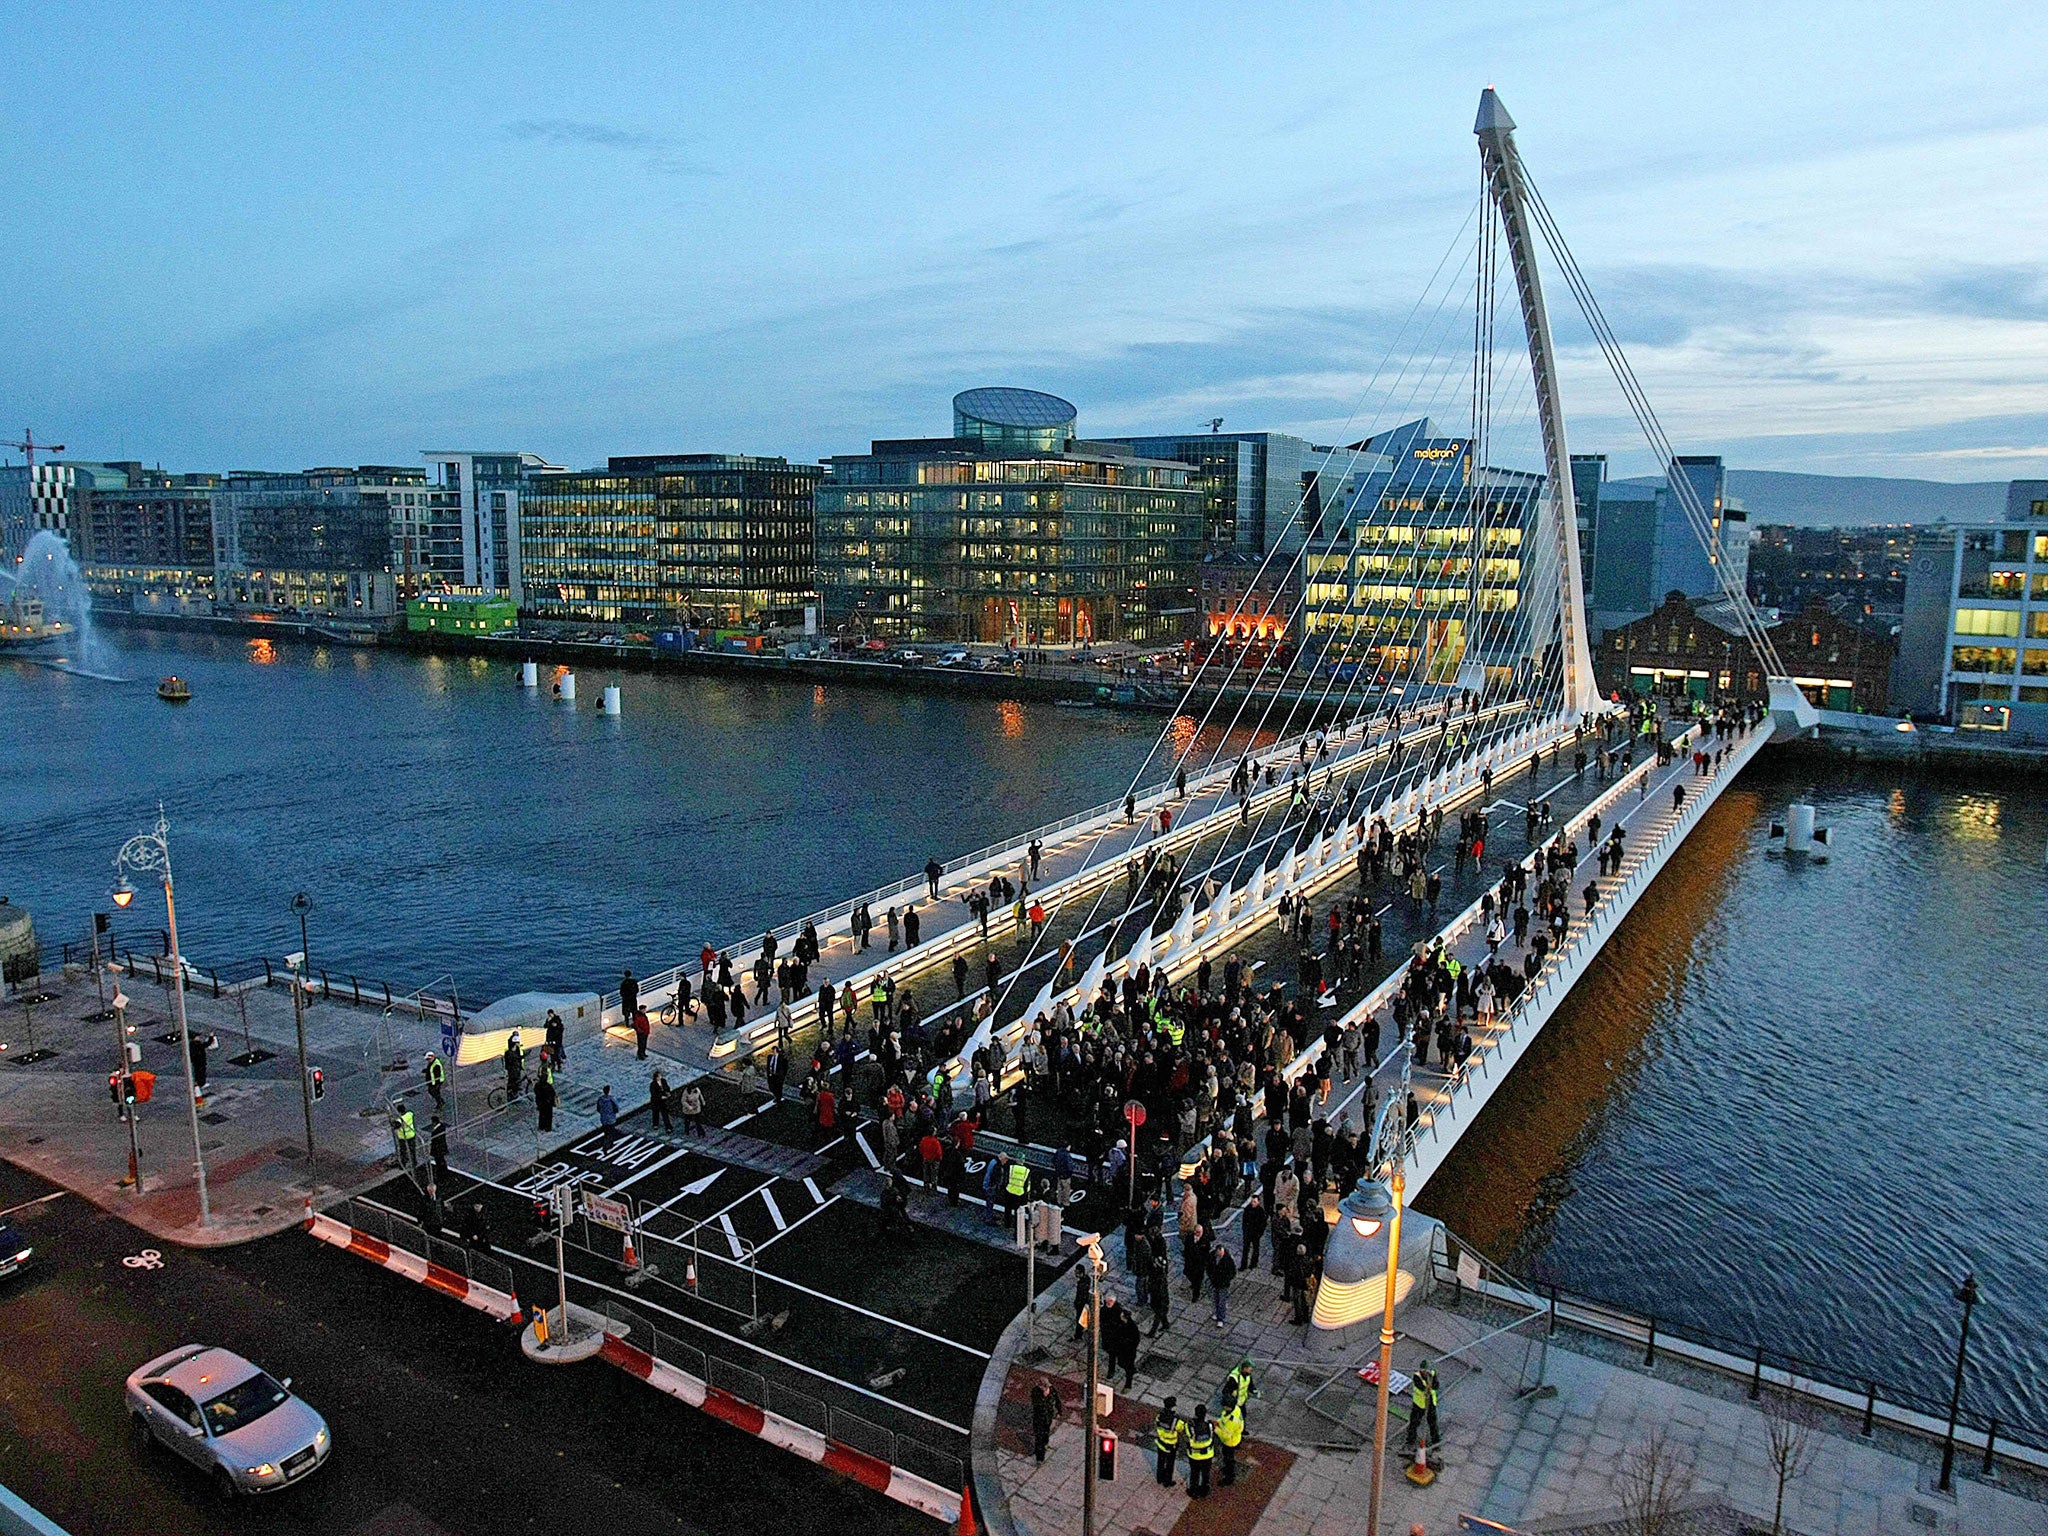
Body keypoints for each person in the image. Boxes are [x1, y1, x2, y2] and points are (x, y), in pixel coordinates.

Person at [1404, 1360, 1441, 1456]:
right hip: (1419, 1404)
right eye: (1423, 1370)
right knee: (1414, 1423)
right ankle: (1410, 1441)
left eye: (1426, 1371)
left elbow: (1436, 1386)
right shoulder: (1417, 1376)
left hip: (1430, 1403)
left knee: (1432, 1423)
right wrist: (1428, 1386)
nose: (1425, 1372)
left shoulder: (1432, 1374)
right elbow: (1421, 1388)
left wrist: (1431, 1383)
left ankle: (1436, 1442)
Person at [1153, 1396, 1186, 1487]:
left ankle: (1159, 1478)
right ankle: (1167, 1481)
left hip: (1161, 1442)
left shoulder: (1159, 1416)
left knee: (1160, 1461)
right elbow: (1182, 1428)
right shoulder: (1175, 1420)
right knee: (1169, 1464)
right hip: (1171, 1445)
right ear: (1173, 1407)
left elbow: (1156, 1425)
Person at [1185, 1404, 1215, 1497]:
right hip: (1208, 1454)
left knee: (1194, 1473)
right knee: (1206, 1474)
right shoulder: (1210, 1425)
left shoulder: (1190, 1426)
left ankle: (1193, 1491)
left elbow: (1187, 1434)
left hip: (1194, 1455)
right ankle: (1205, 1491)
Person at [1030, 1380, 1062, 1465]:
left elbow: (1057, 1400)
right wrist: (1043, 1396)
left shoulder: (1052, 1390)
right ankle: (1040, 1458)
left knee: (1046, 1432)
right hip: (1039, 1418)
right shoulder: (1035, 1391)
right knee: (1038, 1437)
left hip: (1048, 1417)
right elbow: (1036, 1404)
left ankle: (1045, 1444)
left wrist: (1059, 1411)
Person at [1208, 1242, 1237, 1327]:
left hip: (1223, 1284)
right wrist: (1211, 1276)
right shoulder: (1212, 1255)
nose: (1218, 1255)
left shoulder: (1228, 1260)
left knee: (1222, 1301)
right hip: (1215, 1282)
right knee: (1215, 1299)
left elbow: (1232, 1272)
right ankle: (1217, 1313)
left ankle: (1221, 1318)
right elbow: (1209, 1266)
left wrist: (1226, 1280)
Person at [1217, 1397, 1244, 1487]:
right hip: (1235, 1437)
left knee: (1228, 1459)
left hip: (1230, 1442)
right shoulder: (1236, 1409)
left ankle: (1229, 1477)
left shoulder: (1232, 1421)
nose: (1222, 1407)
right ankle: (1228, 1470)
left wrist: (1215, 1429)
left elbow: (1226, 1436)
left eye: (1224, 1406)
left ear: (1229, 1407)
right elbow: (1223, 1419)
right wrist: (1218, 1422)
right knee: (1228, 1458)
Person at [393, 1103, 417, 1172]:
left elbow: (396, 1126)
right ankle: (414, 1162)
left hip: (403, 1137)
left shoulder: (400, 1120)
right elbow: (410, 1113)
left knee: (403, 1151)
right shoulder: (409, 1114)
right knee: (412, 1150)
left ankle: (403, 1164)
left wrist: (393, 1121)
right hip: (411, 1134)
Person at [534, 1058, 556, 1132]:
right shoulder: (548, 1086)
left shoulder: (538, 1085)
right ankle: (547, 1128)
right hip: (548, 1103)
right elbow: (553, 1094)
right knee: (548, 1116)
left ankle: (541, 1126)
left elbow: (536, 1092)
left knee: (542, 1115)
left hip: (541, 1103)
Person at [429, 1112, 450, 1187]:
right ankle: (444, 1175)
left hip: (438, 1150)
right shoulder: (442, 1127)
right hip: (441, 1148)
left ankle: (441, 1178)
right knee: (442, 1162)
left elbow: (434, 1140)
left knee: (439, 1163)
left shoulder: (436, 1131)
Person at [502, 1031, 524, 1102]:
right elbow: (512, 1060)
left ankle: (514, 1094)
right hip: (513, 1069)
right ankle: (512, 1096)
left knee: (516, 1081)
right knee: (513, 1082)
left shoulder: (516, 1048)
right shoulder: (510, 1052)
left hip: (516, 1067)